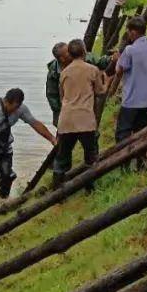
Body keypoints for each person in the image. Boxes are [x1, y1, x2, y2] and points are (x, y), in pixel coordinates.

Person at [0, 88, 55, 201]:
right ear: (6, 102)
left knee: (7, 175)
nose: (15, 110)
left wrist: (52, 139)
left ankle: (4, 200)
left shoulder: (21, 109)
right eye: (14, 107)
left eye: (18, 107)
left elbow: (35, 124)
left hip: (3, 145)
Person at [53, 39, 108, 187]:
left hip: (66, 120)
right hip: (85, 120)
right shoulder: (92, 70)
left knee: (62, 157)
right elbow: (100, 91)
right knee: (90, 155)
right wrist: (106, 82)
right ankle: (90, 188)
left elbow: (62, 97)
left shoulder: (64, 73)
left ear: (70, 54)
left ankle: (57, 189)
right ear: (84, 51)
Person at [114, 16, 147, 145]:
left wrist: (117, 59)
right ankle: (141, 156)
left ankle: (124, 157)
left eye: (128, 32)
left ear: (133, 32)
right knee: (142, 133)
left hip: (131, 101)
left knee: (123, 134)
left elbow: (119, 70)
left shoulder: (130, 50)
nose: (128, 35)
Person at [46, 41, 111, 126]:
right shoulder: (54, 73)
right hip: (66, 107)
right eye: (68, 52)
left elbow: (100, 61)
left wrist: (111, 59)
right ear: (62, 59)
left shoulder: (82, 58)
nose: (71, 51)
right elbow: (52, 96)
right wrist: (62, 112)